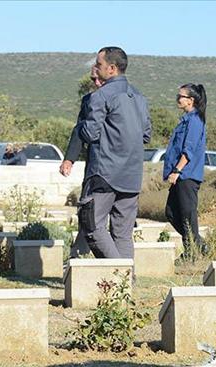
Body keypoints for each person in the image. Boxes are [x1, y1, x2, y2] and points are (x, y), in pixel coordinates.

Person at [74, 46, 151, 259]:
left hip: (104, 173)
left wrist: (80, 126)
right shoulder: (139, 97)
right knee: (123, 234)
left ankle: (119, 274)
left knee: (92, 226)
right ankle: (126, 284)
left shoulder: (101, 96)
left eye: (99, 65)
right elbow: (146, 135)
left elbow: (89, 133)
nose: (95, 69)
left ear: (112, 69)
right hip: (132, 174)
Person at [60, 66, 103, 258]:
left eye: (98, 78)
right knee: (87, 209)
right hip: (94, 164)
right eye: (92, 79)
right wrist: (69, 159)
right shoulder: (89, 101)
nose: (96, 82)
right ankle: (81, 252)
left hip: (120, 166)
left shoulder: (126, 99)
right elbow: (80, 130)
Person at [163, 83, 207, 254]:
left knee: (187, 216)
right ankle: (199, 245)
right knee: (172, 212)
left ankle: (191, 253)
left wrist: (177, 170)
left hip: (187, 176)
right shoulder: (185, 120)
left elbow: (188, 150)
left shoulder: (195, 121)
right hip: (180, 176)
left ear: (191, 100)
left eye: (180, 96)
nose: (177, 99)